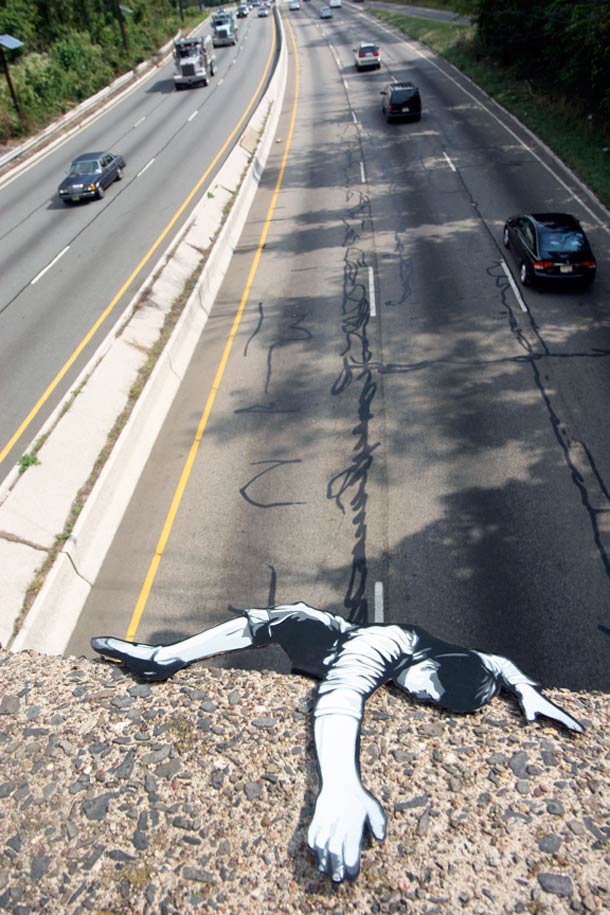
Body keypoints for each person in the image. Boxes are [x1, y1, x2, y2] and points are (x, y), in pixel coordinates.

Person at [92, 603, 583, 883]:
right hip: (335, 647)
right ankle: (166, 658)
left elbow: (496, 662)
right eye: (427, 689)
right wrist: (342, 785)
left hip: (352, 644)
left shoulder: (459, 660)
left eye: (433, 701)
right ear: (428, 664)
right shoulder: (384, 645)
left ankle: (164, 658)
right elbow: (340, 698)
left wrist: (527, 691)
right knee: (283, 618)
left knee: (289, 616)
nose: (421, 699)